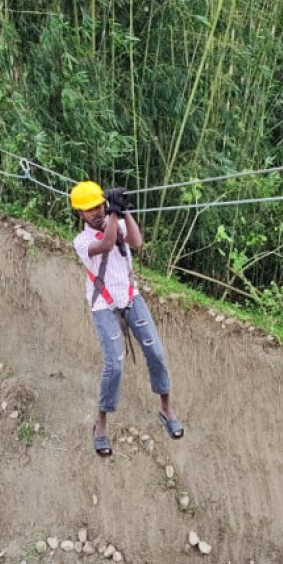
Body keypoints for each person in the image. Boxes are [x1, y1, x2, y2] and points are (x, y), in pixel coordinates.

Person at [70, 181, 183, 457]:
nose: (95, 212)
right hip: (103, 305)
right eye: (89, 210)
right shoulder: (82, 241)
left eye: (99, 206)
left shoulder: (115, 222)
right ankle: (100, 424)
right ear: (80, 214)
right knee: (115, 364)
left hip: (131, 297)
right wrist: (112, 213)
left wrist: (124, 210)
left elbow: (136, 241)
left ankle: (166, 408)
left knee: (155, 350)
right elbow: (107, 243)